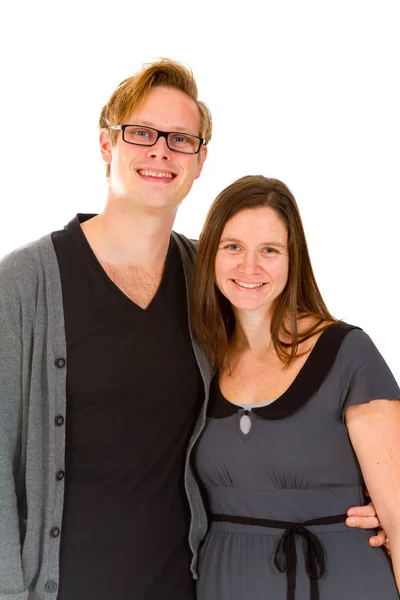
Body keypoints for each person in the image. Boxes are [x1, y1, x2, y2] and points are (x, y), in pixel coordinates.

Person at [0, 61, 387, 600]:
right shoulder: (24, 284)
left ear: (200, 160)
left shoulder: (213, 279)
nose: (161, 151)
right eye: (141, 133)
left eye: (180, 139)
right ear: (106, 145)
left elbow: (285, 388)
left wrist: (374, 496)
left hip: (189, 588)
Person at [190, 175, 400, 600]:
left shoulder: (348, 352)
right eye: (233, 247)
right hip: (224, 583)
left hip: (341, 581)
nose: (249, 267)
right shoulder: (201, 360)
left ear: (293, 259)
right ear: (210, 254)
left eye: (269, 250)